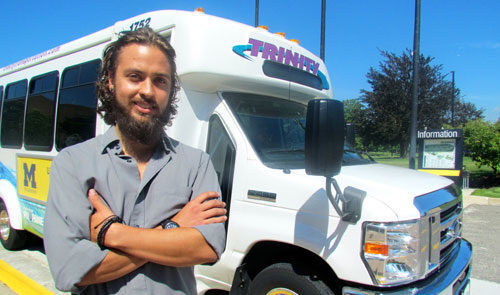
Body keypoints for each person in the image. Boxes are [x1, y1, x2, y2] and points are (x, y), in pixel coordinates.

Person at [44, 27, 227, 295]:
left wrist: (113, 234)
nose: (148, 91)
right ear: (110, 80)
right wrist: (173, 228)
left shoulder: (197, 164)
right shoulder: (72, 163)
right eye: (135, 77)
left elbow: (207, 248)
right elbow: (69, 270)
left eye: (160, 81)